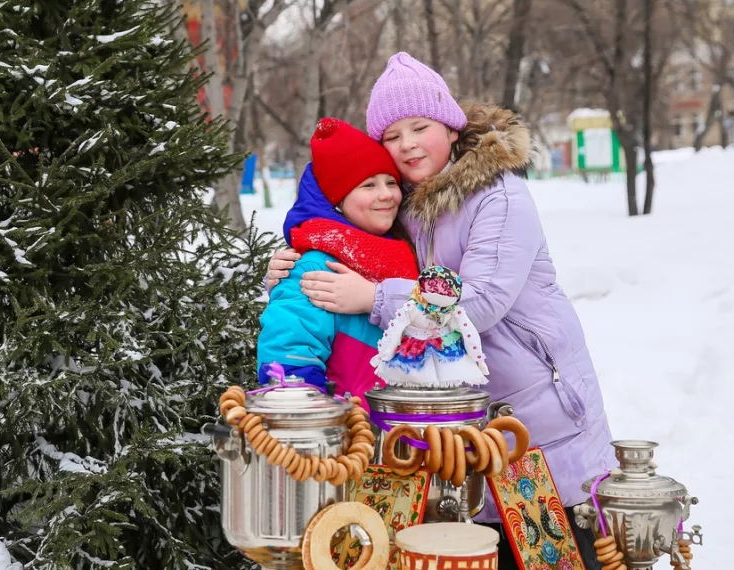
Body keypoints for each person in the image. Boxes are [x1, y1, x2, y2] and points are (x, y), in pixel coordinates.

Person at [265, 53, 616, 569]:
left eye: (420, 127)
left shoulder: (499, 196)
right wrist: (291, 262)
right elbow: (341, 223)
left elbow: (486, 300)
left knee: (556, 556)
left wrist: (376, 298)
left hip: (539, 426)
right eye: (392, 135)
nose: (406, 144)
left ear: (452, 128)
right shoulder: (404, 205)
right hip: (459, 435)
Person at [257, 118, 419, 405]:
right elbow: (289, 363)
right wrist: (323, 427)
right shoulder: (313, 267)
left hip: (404, 435)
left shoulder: (406, 254)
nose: (386, 195)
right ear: (337, 202)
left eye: (391, 182)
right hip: (350, 437)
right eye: (368, 185)